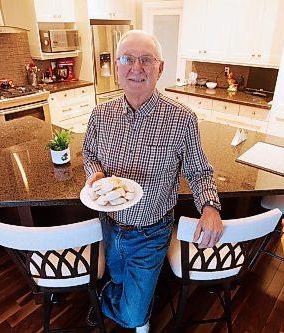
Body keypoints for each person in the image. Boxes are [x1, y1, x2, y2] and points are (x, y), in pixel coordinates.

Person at [82, 30, 223, 332]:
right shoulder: (99, 115)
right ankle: (122, 293)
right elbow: (89, 153)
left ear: (160, 68)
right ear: (118, 67)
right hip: (110, 226)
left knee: (134, 317)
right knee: (117, 278)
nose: (137, 67)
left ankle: (104, 301)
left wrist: (210, 207)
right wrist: (93, 174)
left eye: (146, 60)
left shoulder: (182, 118)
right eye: (128, 59)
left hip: (151, 232)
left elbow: (199, 172)